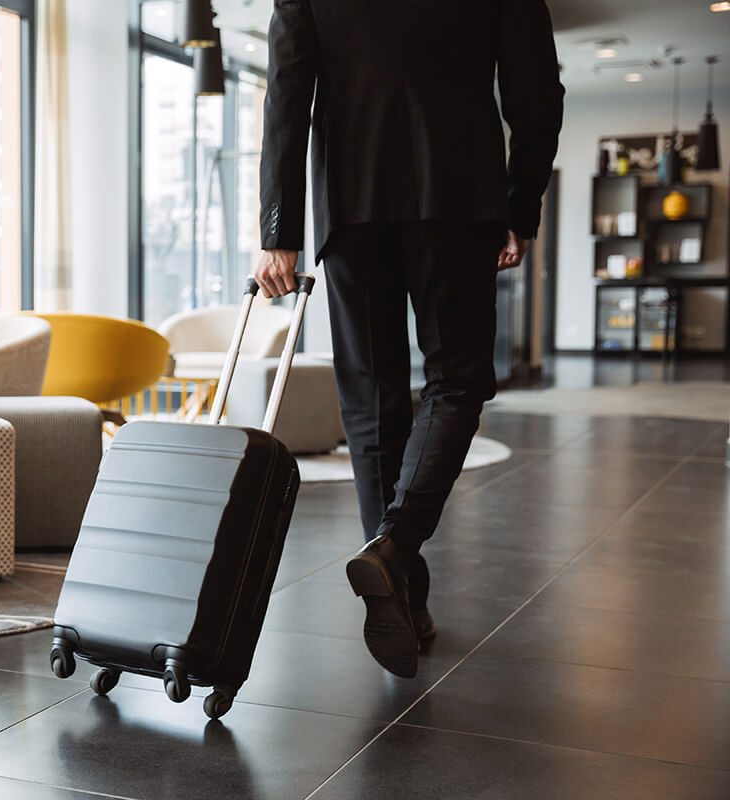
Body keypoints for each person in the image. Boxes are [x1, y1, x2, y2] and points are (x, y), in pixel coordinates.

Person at [256, 0, 564, 678]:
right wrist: (522, 206)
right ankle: (394, 549)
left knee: (371, 401)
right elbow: (538, 94)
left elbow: (287, 92)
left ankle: (405, 592)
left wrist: (278, 230)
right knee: (458, 381)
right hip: (461, 199)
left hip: (351, 203)